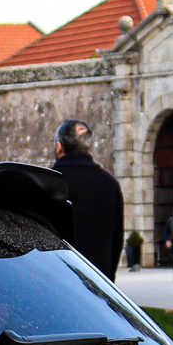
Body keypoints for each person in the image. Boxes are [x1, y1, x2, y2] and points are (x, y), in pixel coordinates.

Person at [48, 119, 124, 283]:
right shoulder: (110, 184)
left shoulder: (49, 182)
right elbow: (117, 240)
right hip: (100, 279)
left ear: (59, 146)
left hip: (59, 278)